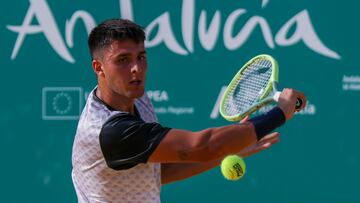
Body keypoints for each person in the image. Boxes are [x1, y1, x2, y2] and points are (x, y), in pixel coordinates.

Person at [71, 18, 307, 203]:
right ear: (98, 67)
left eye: (141, 57)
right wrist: (280, 113)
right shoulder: (111, 131)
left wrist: (230, 148)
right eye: (123, 60)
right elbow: (203, 146)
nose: (136, 68)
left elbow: (156, 173)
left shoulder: (136, 98)